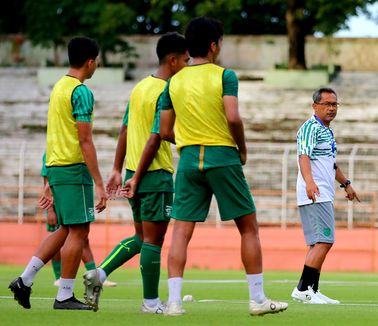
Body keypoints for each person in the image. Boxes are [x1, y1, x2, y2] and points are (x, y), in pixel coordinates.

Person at [146, 16, 288, 316]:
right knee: (248, 228)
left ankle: (172, 302)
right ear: (214, 45)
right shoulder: (225, 75)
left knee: (181, 231)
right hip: (222, 156)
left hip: (187, 160)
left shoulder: (174, 81)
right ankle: (257, 299)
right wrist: (242, 149)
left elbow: (164, 130)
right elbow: (233, 117)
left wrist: (188, 139)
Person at [83, 32, 189, 314]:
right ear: (173, 60)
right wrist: (139, 176)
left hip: (133, 170)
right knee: (154, 240)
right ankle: (151, 303)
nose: (188, 65)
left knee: (142, 238)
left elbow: (125, 129)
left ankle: (99, 274)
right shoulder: (166, 91)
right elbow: (157, 137)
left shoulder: (140, 88)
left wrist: (119, 169)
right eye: (186, 60)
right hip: (153, 174)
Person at [9, 36, 108, 311]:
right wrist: (99, 184)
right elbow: (85, 140)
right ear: (91, 62)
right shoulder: (81, 91)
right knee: (79, 230)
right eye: (96, 61)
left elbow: (54, 134)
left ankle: (25, 280)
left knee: (65, 229)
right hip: (73, 169)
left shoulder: (59, 87)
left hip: (56, 167)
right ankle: (64, 295)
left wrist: (49, 180)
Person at [291, 87, 359, 304]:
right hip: (315, 193)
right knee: (324, 241)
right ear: (315, 106)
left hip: (323, 193)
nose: (331, 108)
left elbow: (331, 163)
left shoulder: (327, 131)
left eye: (334, 104)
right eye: (327, 104)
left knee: (318, 243)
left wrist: (346, 183)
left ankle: (312, 289)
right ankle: (303, 289)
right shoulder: (310, 128)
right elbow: (304, 156)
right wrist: (310, 182)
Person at [40, 153, 116, 288]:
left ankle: (93, 275)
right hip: (59, 199)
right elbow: (47, 179)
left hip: (70, 193)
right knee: (62, 237)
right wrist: (51, 210)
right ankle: (58, 277)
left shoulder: (64, 146)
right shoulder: (52, 150)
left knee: (81, 236)